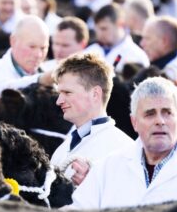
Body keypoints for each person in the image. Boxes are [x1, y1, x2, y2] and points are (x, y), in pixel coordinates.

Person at [70, 76, 177, 209]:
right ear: (134, 122)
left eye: (167, 113)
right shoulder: (106, 168)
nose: (160, 121)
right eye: (150, 114)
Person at [50, 52, 133, 186]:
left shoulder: (124, 150)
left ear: (95, 94)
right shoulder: (62, 149)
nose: (59, 101)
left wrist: (91, 185)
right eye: (59, 93)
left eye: (67, 93)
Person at [0, 15, 54, 99]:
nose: (38, 55)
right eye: (32, 47)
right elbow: (0, 94)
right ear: (13, 41)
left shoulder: (49, 73)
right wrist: (40, 80)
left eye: (43, 48)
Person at [84, 3, 149, 73]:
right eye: (96, 30)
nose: (99, 34)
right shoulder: (89, 51)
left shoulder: (136, 56)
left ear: (120, 24)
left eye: (104, 29)